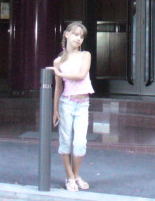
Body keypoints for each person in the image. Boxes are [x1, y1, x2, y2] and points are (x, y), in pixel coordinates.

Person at [51, 22, 94, 192]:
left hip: (83, 103)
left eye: (81, 36)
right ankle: (70, 176)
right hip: (66, 103)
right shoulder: (58, 61)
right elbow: (58, 87)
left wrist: (60, 73)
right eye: (76, 34)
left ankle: (76, 175)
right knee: (65, 141)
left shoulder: (85, 55)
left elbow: (81, 75)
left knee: (80, 143)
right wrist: (55, 110)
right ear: (67, 34)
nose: (78, 38)